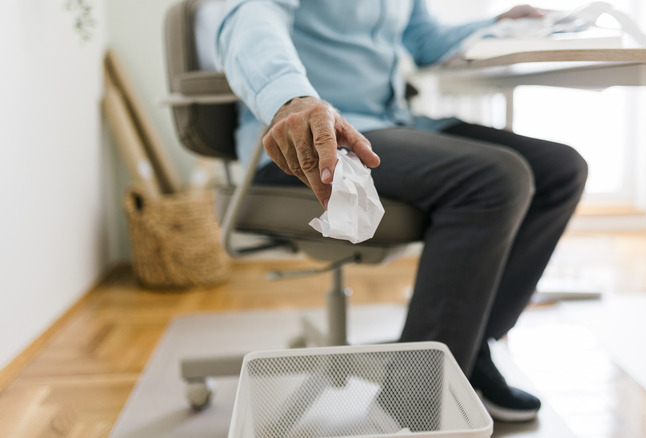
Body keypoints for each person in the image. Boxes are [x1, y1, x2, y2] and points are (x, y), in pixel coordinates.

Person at [217, 0, 588, 422]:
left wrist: (497, 23)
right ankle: (409, 406)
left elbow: (423, 40)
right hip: (311, 140)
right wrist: (290, 98)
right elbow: (250, 20)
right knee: (497, 178)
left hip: (392, 122)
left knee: (560, 169)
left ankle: (469, 348)